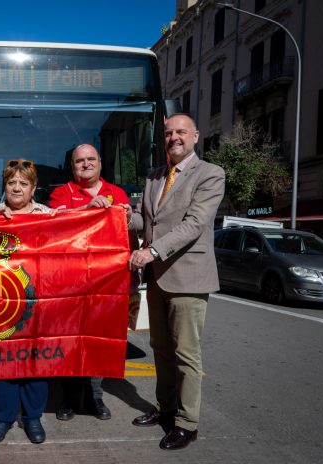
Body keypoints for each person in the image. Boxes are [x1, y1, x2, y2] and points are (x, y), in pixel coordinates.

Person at [128, 113, 225, 451]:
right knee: (161, 350)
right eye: (169, 133)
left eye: (180, 132)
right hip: (157, 279)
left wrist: (152, 251)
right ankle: (166, 409)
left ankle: (187, 423)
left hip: (188, 278)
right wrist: (111, 212)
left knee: (186, 354)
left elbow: (194, 223)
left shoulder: (211, 174)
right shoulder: (155, 176)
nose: (174, 138)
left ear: (195, 136)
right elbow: (143, 218)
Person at [48, 143, 136, 422]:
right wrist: (87, 208)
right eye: (79, 161)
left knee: (99, 343)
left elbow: (128, 236)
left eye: (91, 159)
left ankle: (95, 398)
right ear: (72, 166)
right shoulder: (62, 193)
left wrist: (128, 219)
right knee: (70, 342)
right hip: (69, 283)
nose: (85, 164)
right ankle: (69, 399)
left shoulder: (118, 193)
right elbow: (52, 223)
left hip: (106, 282)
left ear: (100, 162)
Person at [0, 159, 57, 444]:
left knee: (37, 359)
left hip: (39, 300)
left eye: (23, 183)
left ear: (33, 187)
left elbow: (76, 227)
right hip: (2, 301)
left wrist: (100, 209)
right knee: (4, 359)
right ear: (5, 185)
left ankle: (33, 417)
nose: (17, 187)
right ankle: (3, 418)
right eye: (12, 182)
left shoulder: (49, 215)